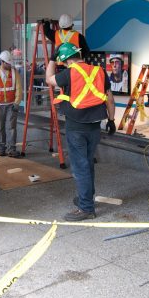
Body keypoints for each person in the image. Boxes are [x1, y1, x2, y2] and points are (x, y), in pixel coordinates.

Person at [45, 42, 115, 221]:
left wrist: (52, 59)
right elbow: (109, 98)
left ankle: (86, 208)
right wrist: (112, 120)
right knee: (88, 164)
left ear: (65, 60)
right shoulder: (99, 71)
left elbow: (49, 79)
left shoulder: (69, 73)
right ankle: (86, 199)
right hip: (94, 127)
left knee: (80, 167)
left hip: (76, 128)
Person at [0, 50, 23, 157]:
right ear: (2, 62)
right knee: (0, 128)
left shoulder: (14, 72)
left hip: (12, 105)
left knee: (12, 127)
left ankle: (12, 149)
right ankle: (2, 148)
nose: (10, 65)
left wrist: (17, 103)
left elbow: (19, 89)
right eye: (8, 63)